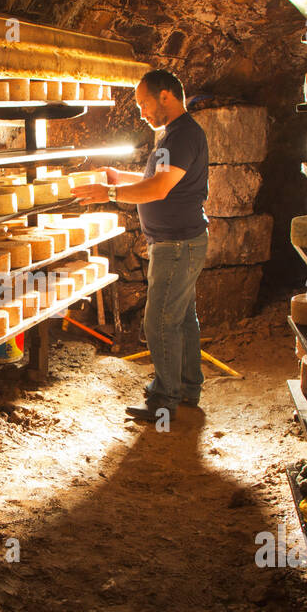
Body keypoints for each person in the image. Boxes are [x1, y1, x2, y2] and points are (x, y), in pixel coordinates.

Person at [72, 69, 209, 424]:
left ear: (166, 96)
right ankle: (188, 389)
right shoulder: (173, 135)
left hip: (177, 244)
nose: (142, 113)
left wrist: (110, 193)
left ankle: (164, 401)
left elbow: (159, 190)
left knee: (159, 322)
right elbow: (158, 180)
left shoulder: (180, 137)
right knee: (182, 320)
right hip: (181, 241)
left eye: (144, 104)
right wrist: (121, 177)